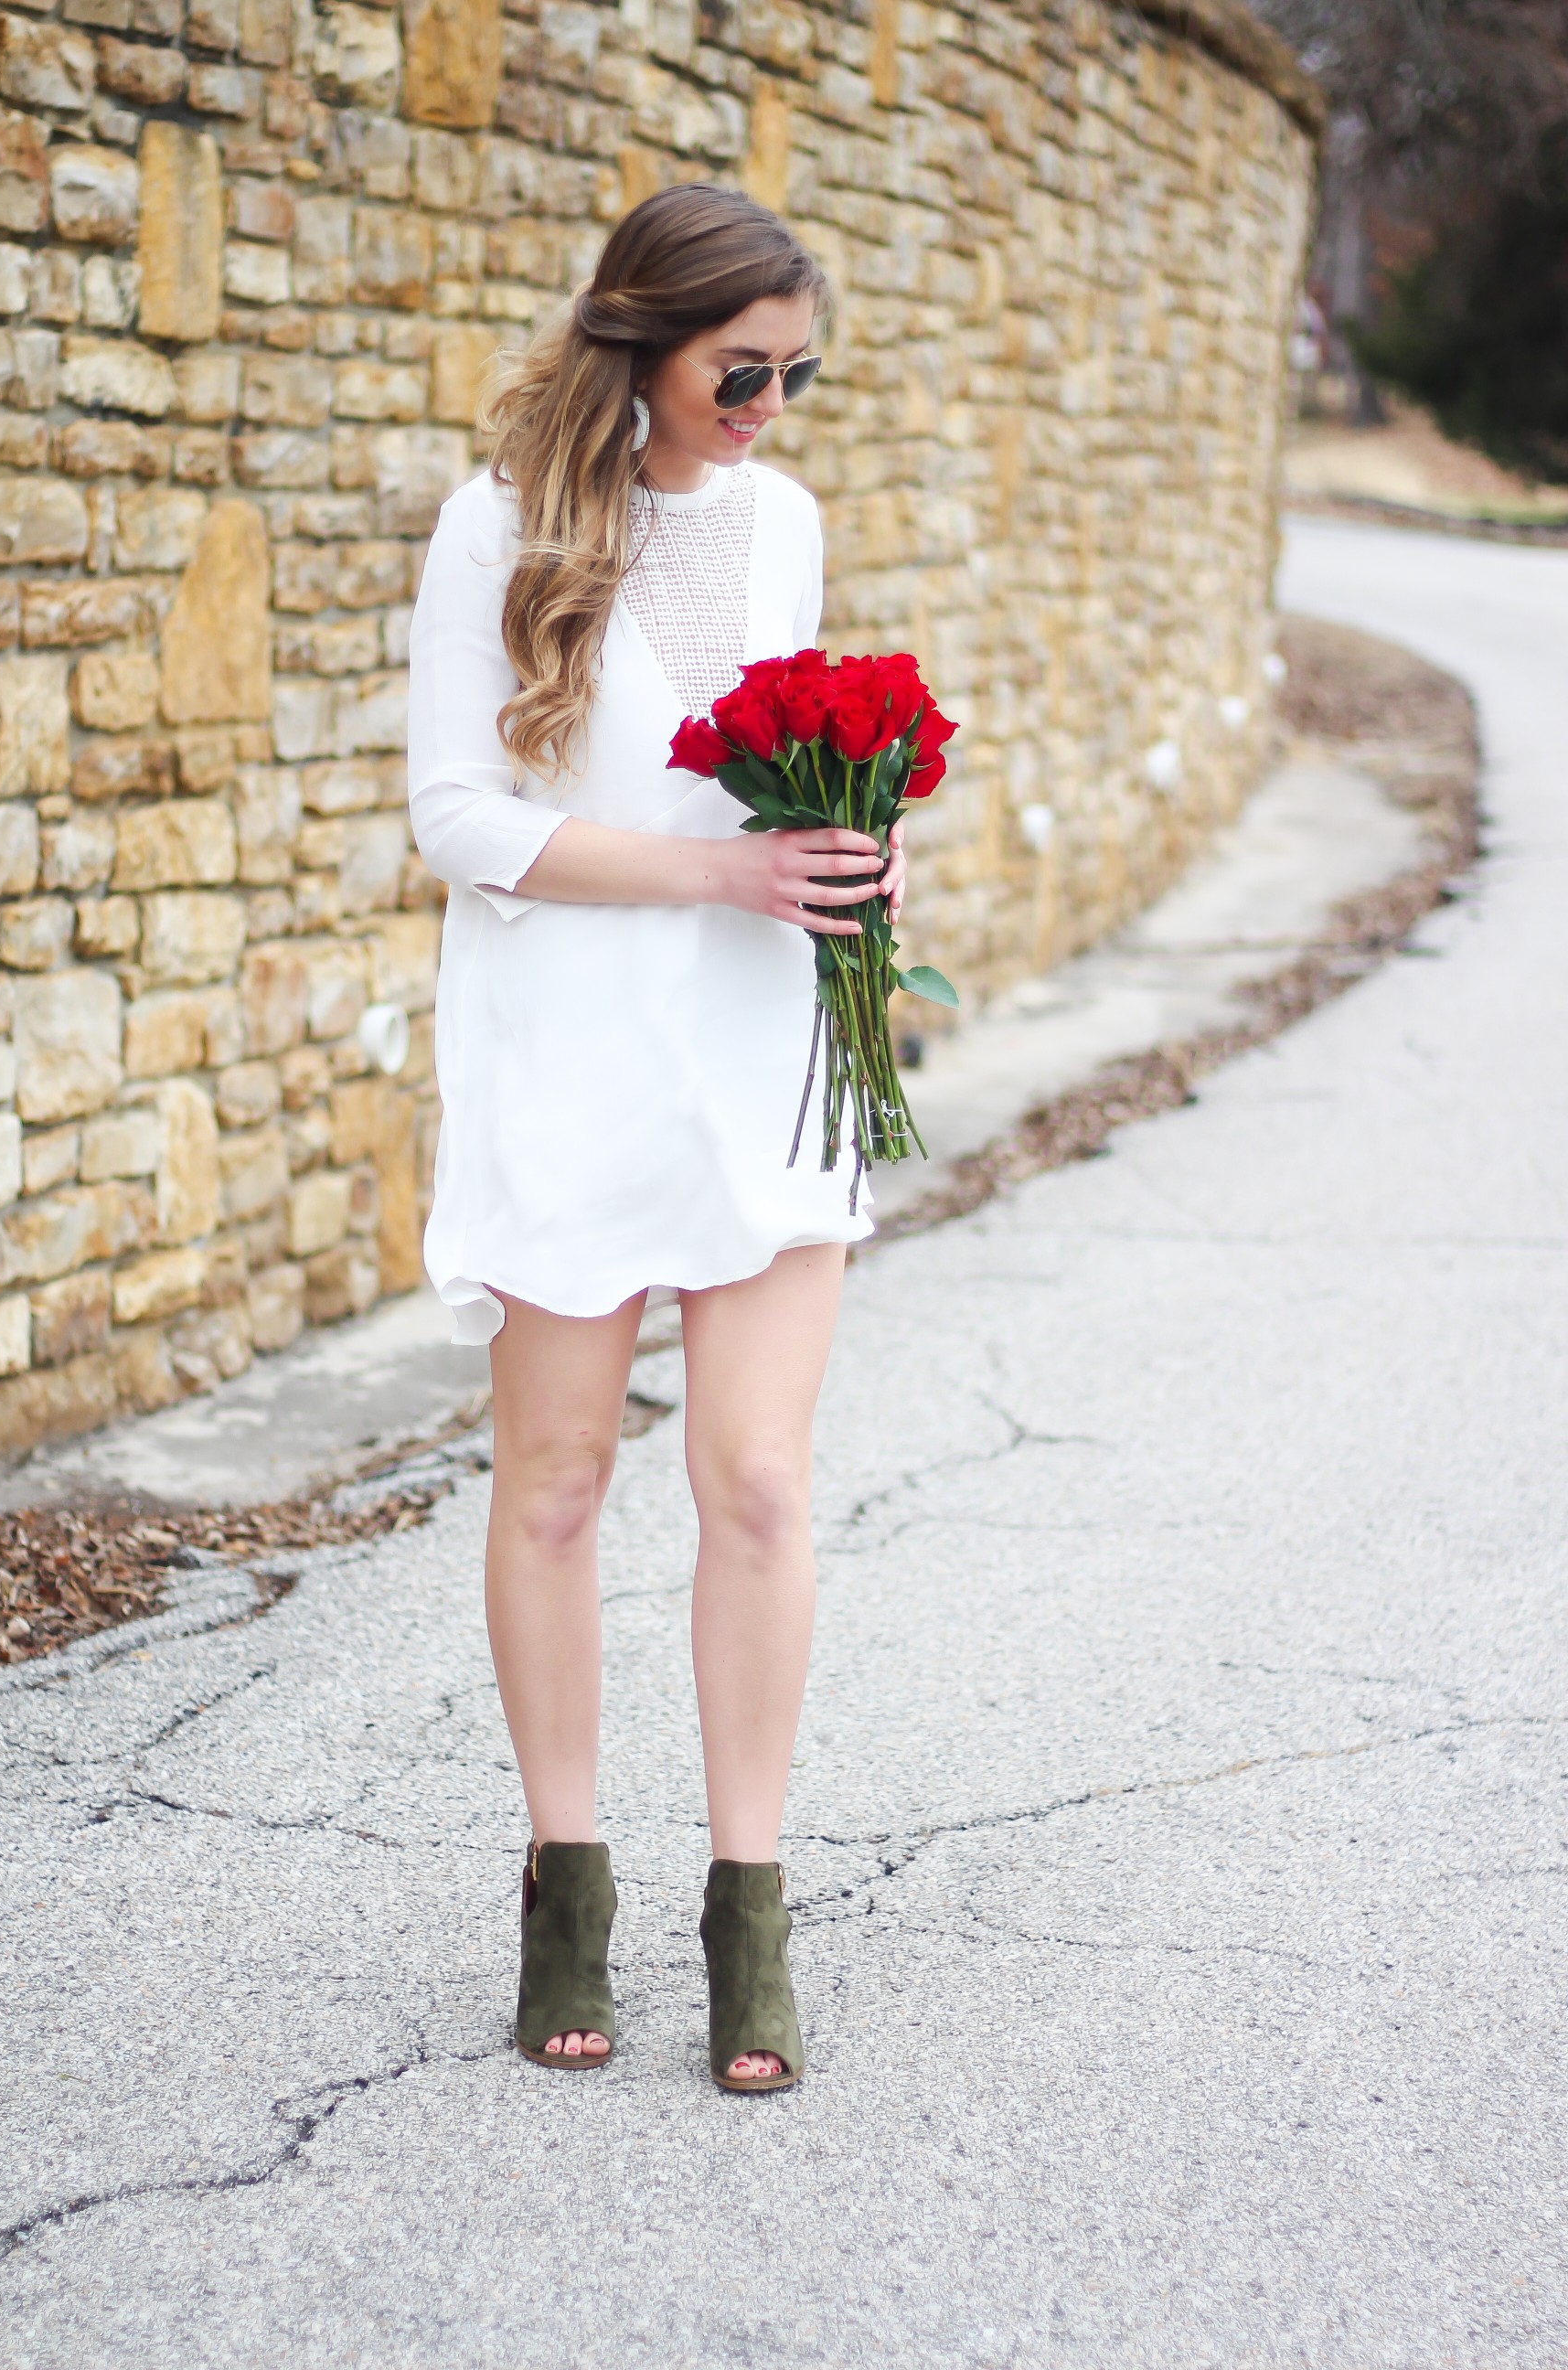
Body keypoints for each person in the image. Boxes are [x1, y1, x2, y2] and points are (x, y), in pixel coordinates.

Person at [407, 183, 906, 2094]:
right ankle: (567, 1883)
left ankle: (750, 1912)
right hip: (570, 1057)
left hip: (769, 1046)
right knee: (552, 1486)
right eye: (742, 369)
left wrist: (857, 838)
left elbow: (779, 752)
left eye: (800, 373)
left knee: (759, 1483)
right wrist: (716, 866)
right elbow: (458, 818)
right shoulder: (499, 526)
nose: (771, 404)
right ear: (643, 341)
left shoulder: (782, 521)